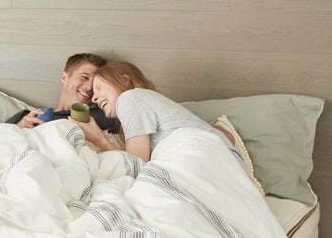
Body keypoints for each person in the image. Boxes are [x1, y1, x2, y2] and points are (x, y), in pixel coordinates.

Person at [71, 61, 246, 168]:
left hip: (204, 160)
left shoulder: (129, 98)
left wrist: (98, 139)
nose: (94, 97)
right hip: (227, 166)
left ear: (125, 80)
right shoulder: (147, 102)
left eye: (99, 88)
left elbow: (135, 165)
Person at [5, 53, 117, 132]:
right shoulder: (25, 117)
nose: (89, 87)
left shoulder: (103, 116)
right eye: (84, 77)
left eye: (96, 84)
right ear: (64, 77)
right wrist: (19, 129)